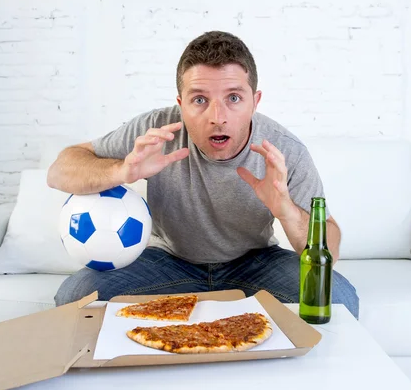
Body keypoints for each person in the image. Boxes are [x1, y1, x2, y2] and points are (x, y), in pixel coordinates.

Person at [48, 31, 359, 318]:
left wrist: (286, 212)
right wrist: (123, 170)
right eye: (199, 100)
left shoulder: (284, 150)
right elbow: (59, 170)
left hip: (254, 263)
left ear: (255, 101)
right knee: (75, 297)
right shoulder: (157, 130)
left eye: (234, 98)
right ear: (181, 104)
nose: (217, 118)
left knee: (339, 299)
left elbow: (329, 248)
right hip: (168, 262)